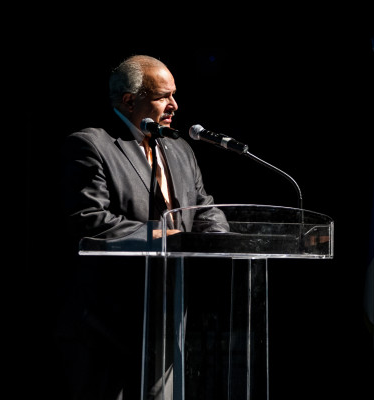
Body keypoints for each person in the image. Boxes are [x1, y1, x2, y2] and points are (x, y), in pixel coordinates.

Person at [56, 54, 229, 400]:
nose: (174, 105)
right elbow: (90, 220)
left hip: (169, 312)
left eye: (174, 95)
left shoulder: (179, 149)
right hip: (108, 322)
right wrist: (164, 238)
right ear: (129, 101)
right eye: (164, 96)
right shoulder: (92, 144)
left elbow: (204, 209)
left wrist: (223, 242)